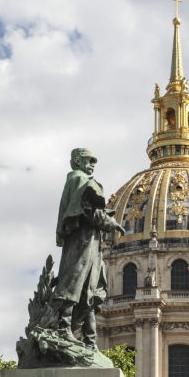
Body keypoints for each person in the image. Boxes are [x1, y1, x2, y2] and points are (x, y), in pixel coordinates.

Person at [53, 148, 125, 349]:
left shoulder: (78, 180)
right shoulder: (79, 180)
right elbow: (88, 211)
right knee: (74, 282)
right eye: (88, 160)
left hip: (89, 242)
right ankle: (63, 328)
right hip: (83, 241)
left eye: (93, 161)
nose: (92, 164)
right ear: (77, 161)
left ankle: (90, 342)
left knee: (88, 291)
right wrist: (112, 223)